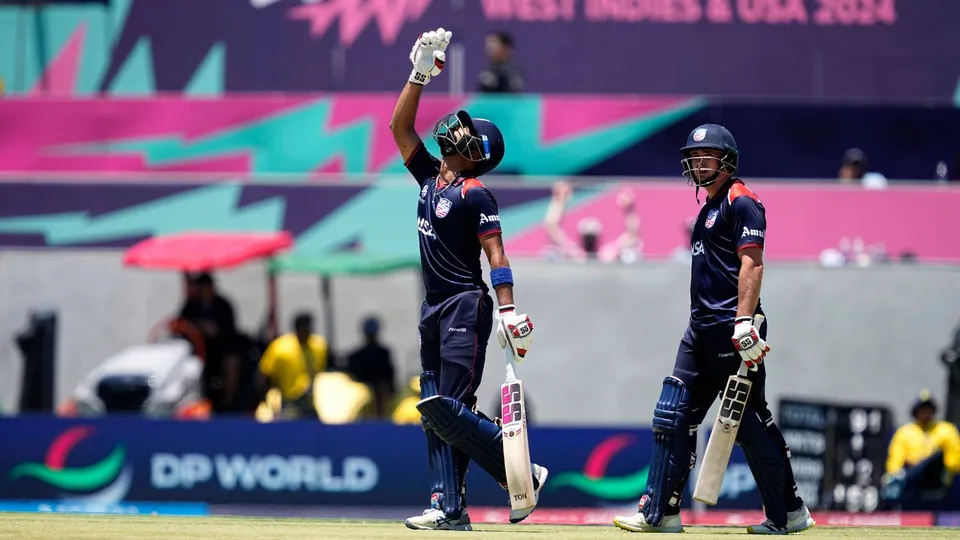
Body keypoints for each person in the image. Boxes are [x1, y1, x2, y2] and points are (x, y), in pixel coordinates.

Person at [613, 124, 815, 535]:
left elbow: (752, 263)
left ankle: (789, 512)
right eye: (693, 156)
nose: (697, 163)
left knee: (747, 422)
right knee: (672, 414)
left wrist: (744, 322)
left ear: (728, 161)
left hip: (732, 327)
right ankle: (660, 512)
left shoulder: (743, 202)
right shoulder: (707, 208)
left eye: (706, 156)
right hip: (699, 328)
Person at [390, 27, 546, 531]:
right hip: (432, 307)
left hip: (464, 305)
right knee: (433, 411)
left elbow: (496, 252)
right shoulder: (431, 177)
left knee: (448, 407)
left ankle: (508, 469)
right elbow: (399, 127)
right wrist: (419, 75)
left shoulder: (476, 192)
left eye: (464, 132)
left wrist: (507, 309)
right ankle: (450, 507)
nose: (454, 130)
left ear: (477, 151)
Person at [882, 390, 960, 510]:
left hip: (938, 480)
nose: (925, 412)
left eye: (928, 408)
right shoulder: (904, 432)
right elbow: (894, 463)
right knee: (902, 477)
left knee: (936, 457)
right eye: (922, 408)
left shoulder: (946, 430)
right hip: (912, 480)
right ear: (916, 411)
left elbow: (954, 461)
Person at [178, 272, 240, 413]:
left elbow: (230, 331)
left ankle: (229, 401)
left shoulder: (223, 305)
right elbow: (180, 325)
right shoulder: (191, 305)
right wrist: (198, 326)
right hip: (196, 349)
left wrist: (214, 330)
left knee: (232, 360)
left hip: (221, 348)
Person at [258, 312, 328, 419]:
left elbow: (322, 372)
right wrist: (267, 398)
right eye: (304, 328)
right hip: (289, 400)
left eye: (309, 328)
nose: (307, 331)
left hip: (312, 402)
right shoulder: (281, 347)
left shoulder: (319, 345)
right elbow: (265, 373)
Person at [345, 316, 397, 418]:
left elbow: (389, 379)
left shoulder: (383, 354)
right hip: (360, 398)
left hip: (381, 399)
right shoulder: (356, 356)